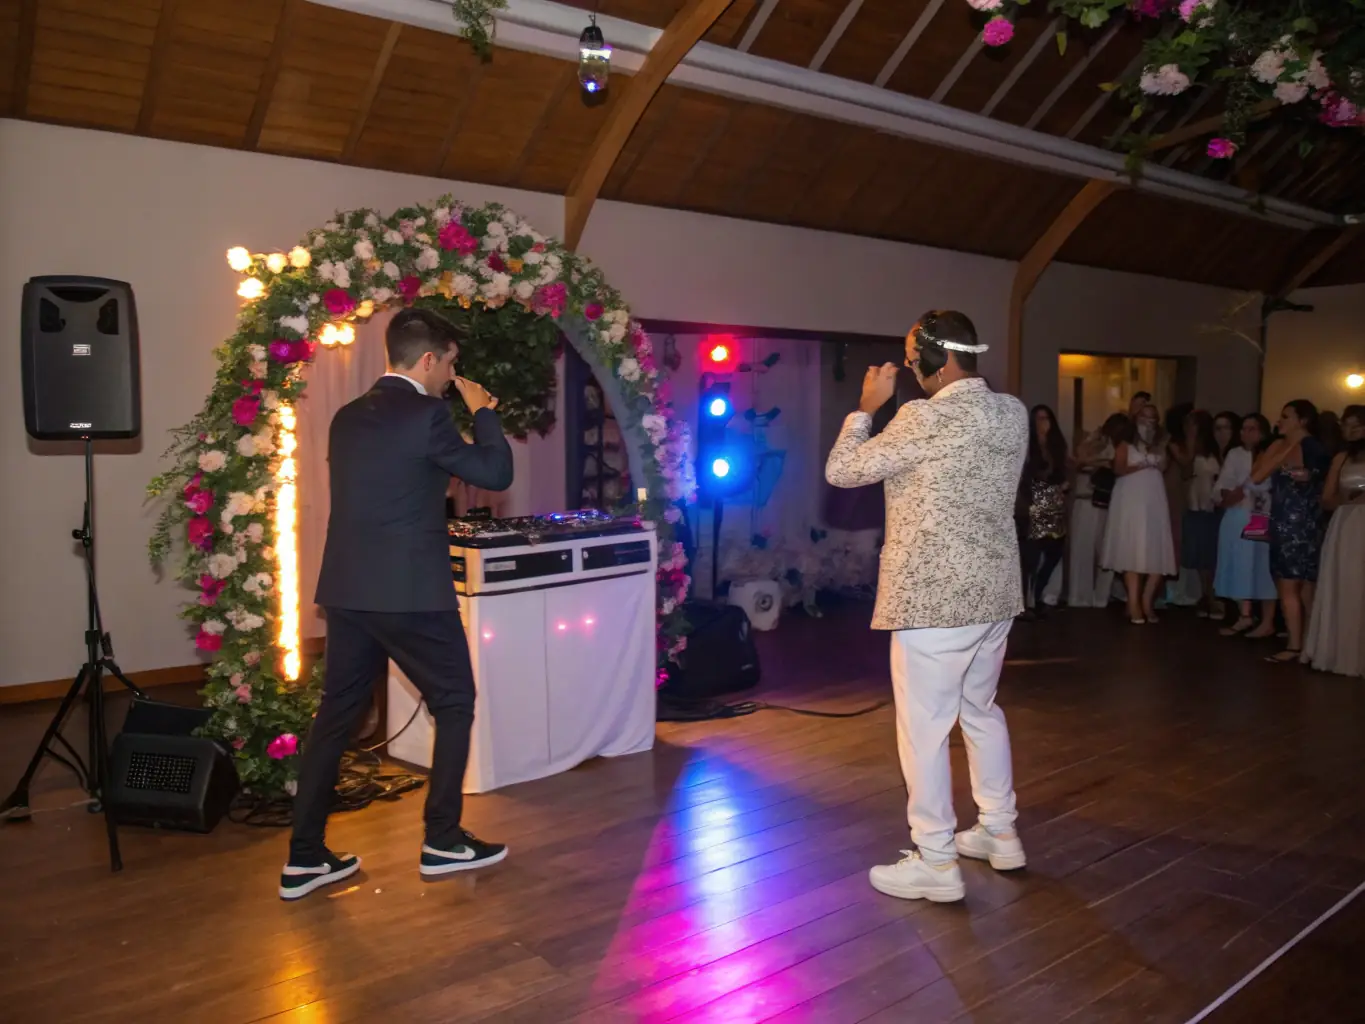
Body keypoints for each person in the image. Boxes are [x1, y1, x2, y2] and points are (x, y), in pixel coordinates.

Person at [281, 309, 514, 900]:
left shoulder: (347, 416)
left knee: (336, 716)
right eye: (451, 363)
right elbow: (496, 470)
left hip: (349, 590)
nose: (452, 375)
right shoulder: (431, 414)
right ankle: (443, 839)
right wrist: (483, 410)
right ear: (429, 359)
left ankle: (304, 857)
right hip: (409, 592)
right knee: (456, 700)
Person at [826, 310, 1028, 904]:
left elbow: (842, 471)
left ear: (935, 359)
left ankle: (937, 860)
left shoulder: (921, 416)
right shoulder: (1011, 412)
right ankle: (1000, 831)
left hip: (933, 602)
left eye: (913, 355)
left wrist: (865, 407)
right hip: (993, 594)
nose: (908, 366)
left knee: (925, 731)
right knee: (981, 711)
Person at [1252, 399, 1330, 664]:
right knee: (1293, 584)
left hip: (1302, 522)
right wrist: (1281, 450)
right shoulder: (1280, 445)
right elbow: (1257, 476)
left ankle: (1298, 645)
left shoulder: (1313, 447)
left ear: (1302, 420)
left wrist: (1291, 460)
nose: (1279, 421)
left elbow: (1313, 477)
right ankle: (1305, 644)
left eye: (1286, 417)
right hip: (1283, 518)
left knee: (1297, 585)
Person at [1303, 405, 1365, 677]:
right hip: (1347, 524)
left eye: (1357, 425)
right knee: (1347, 583)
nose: (1350, 430)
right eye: (1346, 424)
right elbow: (1326, 499)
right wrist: (1348, 499)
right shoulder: (1340, 457)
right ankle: (1340, 649)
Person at [1101, 404, 1176, 623]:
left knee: (1156, 550)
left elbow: (1164, 467)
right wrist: (1141, 465)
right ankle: (1133, 603)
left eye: (1153, 419)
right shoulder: (1125, 443)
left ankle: (1146, 601)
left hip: (1154, 499)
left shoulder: (1160, 445)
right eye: (1144, 418)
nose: (1148, 423)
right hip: (1130, 499)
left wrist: (1158, 452)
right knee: (1132, 549)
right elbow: (1118, 469)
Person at [1213, 414, 1276, 638]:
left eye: (1251, 429)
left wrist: (1244, 490)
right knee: (1237, 563)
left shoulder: (1272, 454)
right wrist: (1229, 494)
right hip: (1237, 514)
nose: (1245, 433)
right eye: (1243, 429)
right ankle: (1245, 614)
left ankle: (1267, 620)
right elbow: (1224, 484)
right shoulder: (1235, 454)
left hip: (1259, 515)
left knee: (1260, 565)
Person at [1067, 413, 1124, 608]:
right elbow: (1079, 460)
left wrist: (1092, 463)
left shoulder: (1120, 446)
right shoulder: (1094, 441)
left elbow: (1112, 464)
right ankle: (1080, 597)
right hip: (1085, 501)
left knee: (1105, 553)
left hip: (1106, 502)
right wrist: (1094, 455)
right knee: (1081, 550)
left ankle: (1101, 597)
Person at [1019, 405, 1069, 617]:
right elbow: (1025, 475)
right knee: (1032, 553)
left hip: (1054, 502)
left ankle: (1039, 594)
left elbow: (1064, 471)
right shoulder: (1027, 445)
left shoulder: (1057, 445)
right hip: (1033, 502)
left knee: (1054, 551)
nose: (1043, 423)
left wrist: (1062, 484)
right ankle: (1029, 601)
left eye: (1047, 418)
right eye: (1039, 418)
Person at [1180, 410, 1223, 617]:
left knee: (1211, 554)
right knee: (1199, 554)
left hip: (1212, 507)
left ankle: (1212, 596)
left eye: (1193, 424)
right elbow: (1185, 470)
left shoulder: (1215, 449)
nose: (1189, 427)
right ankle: (1206, 595)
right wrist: (1189, 440)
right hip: (1195, 505)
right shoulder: (1189, 449)